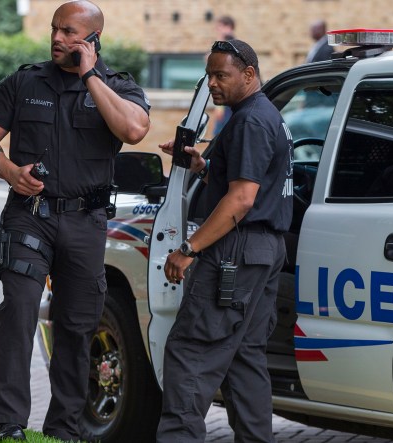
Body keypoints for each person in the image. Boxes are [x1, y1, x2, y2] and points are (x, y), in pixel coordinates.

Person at [0, 1, 151, 440]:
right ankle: (10, 425)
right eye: (54, 29)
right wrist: (11, 172)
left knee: (76, 324)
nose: (57, 38)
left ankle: (63, 429)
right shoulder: (25, 81)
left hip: (85, 222)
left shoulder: (117, 87)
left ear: (91, 40)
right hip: (29, 217)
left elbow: (134, 131)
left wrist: (90, 76)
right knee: (19, 312)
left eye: (69, 32)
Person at [155, 39, 293, 442]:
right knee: (245, 359)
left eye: (221, 75)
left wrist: (189, 248)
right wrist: (202, 166)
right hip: (264, 252)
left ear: (249, 74)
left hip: (236, 251)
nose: (212, 84)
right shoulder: (266, 115)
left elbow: (243, 198)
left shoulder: (249, 120)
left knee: (190, 355)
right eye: (209, 75)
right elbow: (251, 181)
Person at [212, 15, 236, 136]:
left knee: (220, 136)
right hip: (228, 101)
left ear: (228, 27)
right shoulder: (235, 47)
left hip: (227, 102)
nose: (218, 30)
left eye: (220, 27)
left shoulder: (229, 46)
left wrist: (220, 106)